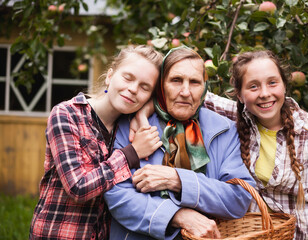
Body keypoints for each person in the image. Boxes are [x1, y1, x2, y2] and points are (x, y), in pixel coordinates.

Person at [104, 47, 256, 239]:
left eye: (194, 82)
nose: (185, 92)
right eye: (176, 80)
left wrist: (177, 179)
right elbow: (117, 194)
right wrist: (177, 216)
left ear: (204, 88)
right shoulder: (131, 125)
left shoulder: (224, 130)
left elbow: (239, 197)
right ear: (161, 86)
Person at [203, 50, 308, 239]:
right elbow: (195, 94)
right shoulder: (238, 118)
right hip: (250, 233)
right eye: (253, 87)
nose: (264, 94)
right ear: (239, 95)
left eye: (272, 83)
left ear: (284, 85)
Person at [29, 45, 164, 240]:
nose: (133, 89)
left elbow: (186, 97)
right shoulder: (67, 115)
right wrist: (132, 153)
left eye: (145, 87)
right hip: (57, 234)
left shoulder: (127, 126)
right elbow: (78, 187)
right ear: (110, 76)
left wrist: (145, 111)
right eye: (128, 77)